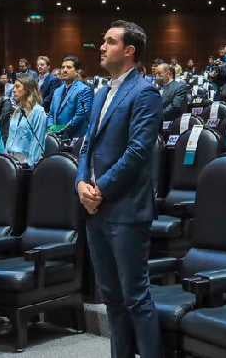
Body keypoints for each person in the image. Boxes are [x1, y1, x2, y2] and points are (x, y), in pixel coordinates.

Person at [76, 20, 163, 358]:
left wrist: (100, 188)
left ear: (129, 51)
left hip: (125, 209)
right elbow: (86, 146)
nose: (101, 46)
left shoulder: (145, 92)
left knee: (135, 297)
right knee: (111, 298)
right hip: (95, 209)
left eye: (109, 41)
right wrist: (81, 183)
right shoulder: (101, 93)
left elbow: (138, 152)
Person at [5, 75, 48, 166]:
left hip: (25, 163)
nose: (14, 90)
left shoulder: (38, 112)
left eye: (17, 86)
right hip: (10, 160)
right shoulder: (17, 110)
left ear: (27, 89)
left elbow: (37, 143)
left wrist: (29, 166)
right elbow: (10, 138)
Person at [48, 56, 94, 140]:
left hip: (73, 138)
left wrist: (60, 130)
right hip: (55, 138)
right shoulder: (57, 91)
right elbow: (51, 114)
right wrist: (51, 128)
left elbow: (80, 116)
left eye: (69, 67)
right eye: (62, 67)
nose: (64, 70)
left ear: (77, 71)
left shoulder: (84, 90)